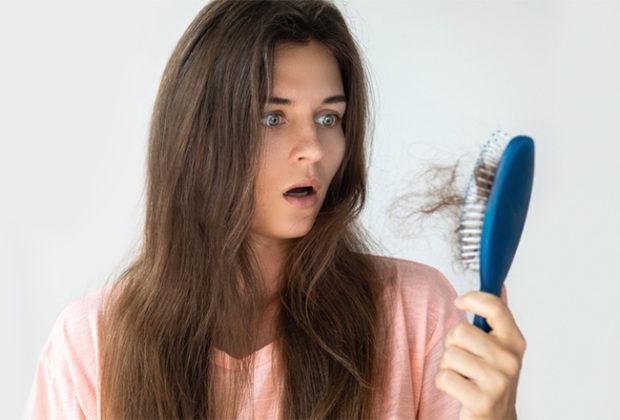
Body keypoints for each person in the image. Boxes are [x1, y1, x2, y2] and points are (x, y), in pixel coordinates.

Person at [24, 1, 525, 419]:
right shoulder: (92, 344)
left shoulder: (413, 314)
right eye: (272, 117)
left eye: (329, 116)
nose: (313, 147)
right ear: (197, 138)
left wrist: (498, 415)